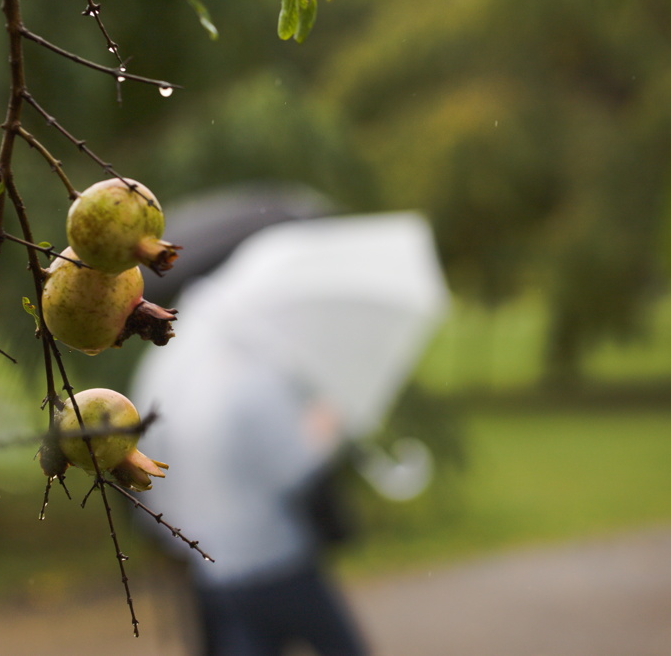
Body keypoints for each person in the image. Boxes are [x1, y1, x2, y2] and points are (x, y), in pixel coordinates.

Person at [131, 207, 448, 656]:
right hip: (276, 560)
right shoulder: (255, 377)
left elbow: (150, 478)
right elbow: (289, 468)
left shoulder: (172, 369)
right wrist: (325, 426)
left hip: (216, 570)